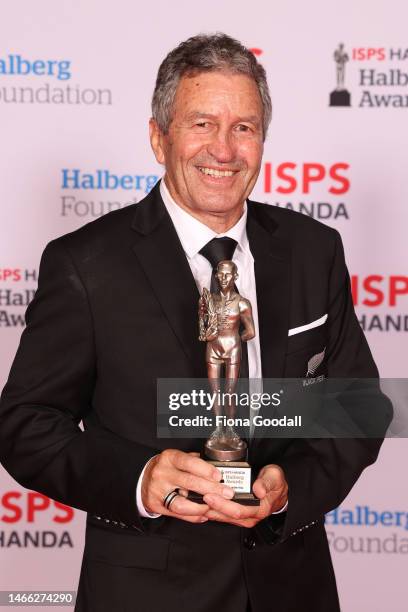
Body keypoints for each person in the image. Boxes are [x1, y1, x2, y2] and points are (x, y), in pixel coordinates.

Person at [0, 33, 389, 612]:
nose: (224, 150)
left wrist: (288, 491)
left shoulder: (315, 250)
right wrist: (141, 479)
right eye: (202, 124)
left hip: (293, 585)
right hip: (145, 593)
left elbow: (359, 404)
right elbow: (25, 424)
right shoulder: (85, 264)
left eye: (244, 127)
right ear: (159, 138)